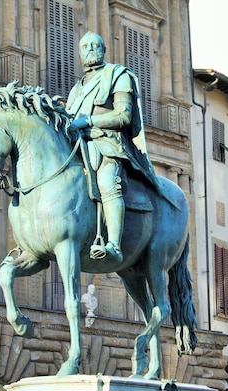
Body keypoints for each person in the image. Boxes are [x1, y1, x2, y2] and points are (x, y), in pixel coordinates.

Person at [67, 32, 162, 264]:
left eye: (95, 45)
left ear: (104, 49)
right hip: (79, 146)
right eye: (85, 46)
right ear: (79, 53)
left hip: (107, 144)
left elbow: (123, 116)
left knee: (108, 180)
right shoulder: (76, 89)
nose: (90, 49)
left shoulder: (118, 76)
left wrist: (90, 121)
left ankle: (114, 245)